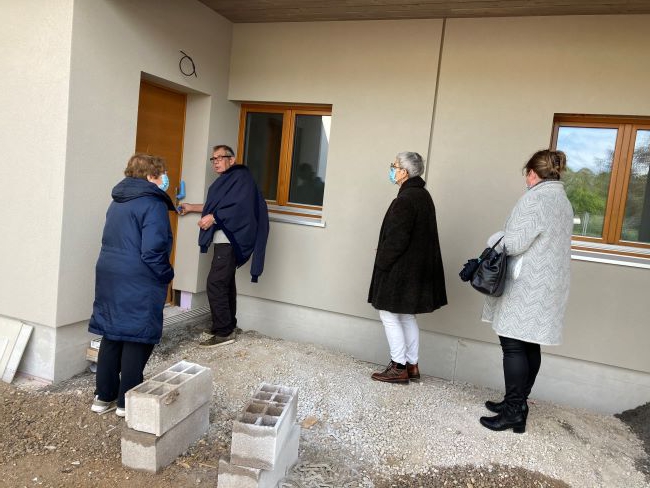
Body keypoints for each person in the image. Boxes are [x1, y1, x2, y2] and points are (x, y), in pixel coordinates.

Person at [480, 149, 573, 433]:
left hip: (527, 285)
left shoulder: (536, 199)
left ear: (532, 173)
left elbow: (514, 243)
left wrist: (495, 238)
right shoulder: (562, 200)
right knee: (529, 343)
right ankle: (516, 403)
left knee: (513, 344)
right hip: (548, 283)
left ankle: (513, 411)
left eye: (527, 174)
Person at [88, 154, 175, 417]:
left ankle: (103, 397)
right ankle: (127, 402)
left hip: (111, 274)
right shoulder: (153, 204)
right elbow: (153, 250)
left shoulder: (117, 202)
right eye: (162, 174)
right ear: (151, 176)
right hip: (139, 276)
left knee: (113, 335)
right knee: (137, 336)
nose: (165, 179)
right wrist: (166, 273)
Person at [368, 151, 447, 383]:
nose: (392, 169)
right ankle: (412, 365)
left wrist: (381, 261)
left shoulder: (405, 199)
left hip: (401, 269)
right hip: (416, 269)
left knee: (389, 313)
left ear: (404, 171)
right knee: (406, 315)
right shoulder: (423, 195)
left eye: (394, 166)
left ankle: (398, 366)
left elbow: (397, 239)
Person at [179, 144, 269, 348]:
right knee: (225, 282)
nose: (216, 161)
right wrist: (192, 207)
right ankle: (228, 324)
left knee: (215, 283)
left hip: (230, 241)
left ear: (232, 159)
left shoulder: (241, 178)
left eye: (221, 157)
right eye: (214, 159)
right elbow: (216, 207)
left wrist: (214, 218)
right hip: (224, 241)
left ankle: (224, 332)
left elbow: (241, 208)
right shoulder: (226, 181)